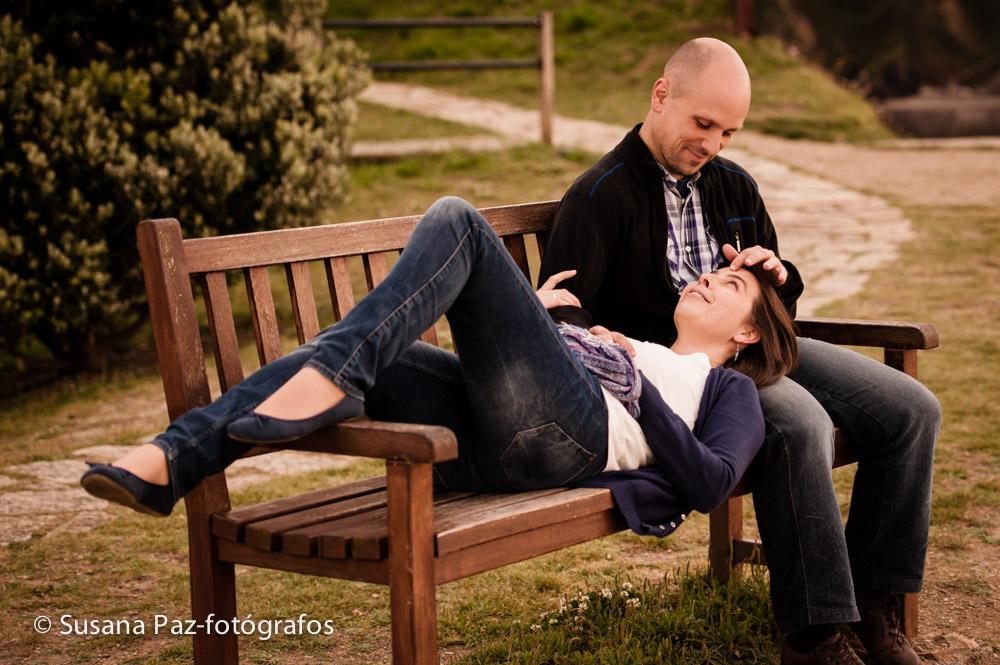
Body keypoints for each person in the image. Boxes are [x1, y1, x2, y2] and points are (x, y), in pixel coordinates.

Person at [536, 37, 940, 665]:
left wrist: (778, 275)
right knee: (802, 424)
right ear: (661, 95)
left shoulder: (733, 186)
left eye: (729, 132)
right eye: (703, 124)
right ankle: (815, 638)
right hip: (692, 371)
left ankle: (876, 606)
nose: (713, 144)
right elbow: (569, 319)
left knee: (912, 409)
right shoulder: (600, 196)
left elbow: (781, 304)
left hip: (758, 346)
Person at [81, 196, 796, 548]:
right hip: (497, 436)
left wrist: (638, 394)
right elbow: (532, 374)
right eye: (709, 271)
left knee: (458, 218)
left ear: (746, 332)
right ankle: (172, 459)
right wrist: (536, 319)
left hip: (568, 440)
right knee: (348, 349)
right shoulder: (637, 345)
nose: (707, 279)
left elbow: (708, 483)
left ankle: (334, 376)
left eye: (730, 286)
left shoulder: (729, 390)